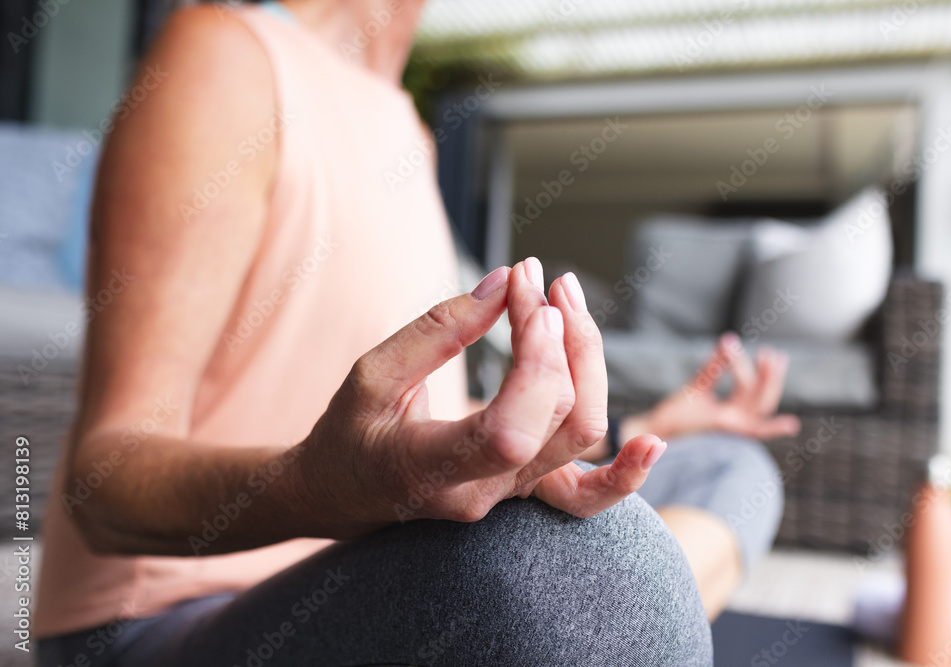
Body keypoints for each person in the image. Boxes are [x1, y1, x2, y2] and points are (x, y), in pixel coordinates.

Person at [35, 1, 795, 664]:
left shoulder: (406, 126)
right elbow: (102, 487)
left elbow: (437, 440)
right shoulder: (226, 55)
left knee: (726, 468)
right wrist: (318, 486)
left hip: (386, 572)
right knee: (590, 572)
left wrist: (641, 430)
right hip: (164, 621)